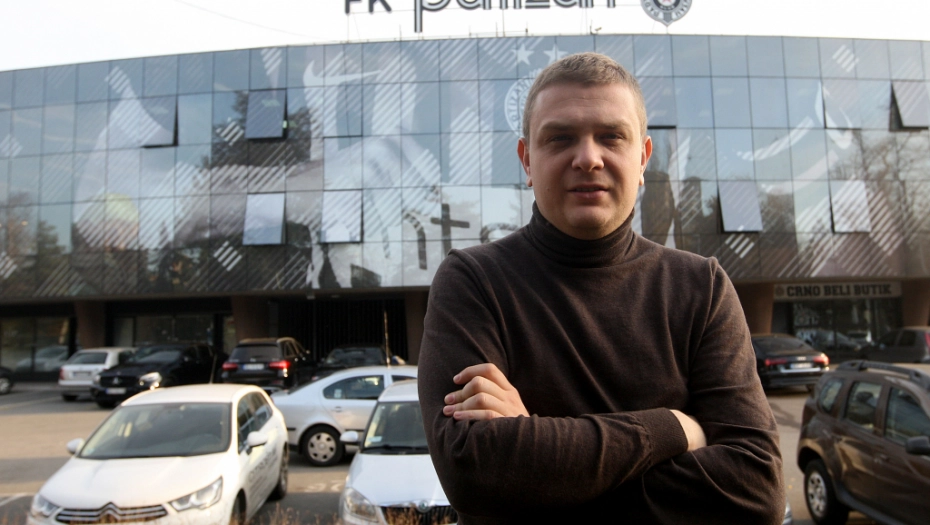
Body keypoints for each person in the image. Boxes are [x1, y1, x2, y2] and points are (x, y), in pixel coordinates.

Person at [417, 52, 785, 524]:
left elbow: (756, 490)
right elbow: (474, 471)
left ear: (643, 158)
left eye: (611, 136)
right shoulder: (472, 281)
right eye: (560, 138)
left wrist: (535, 457)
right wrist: (671, 429)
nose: (588, 158)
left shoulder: (701, 288)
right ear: (527, 160)